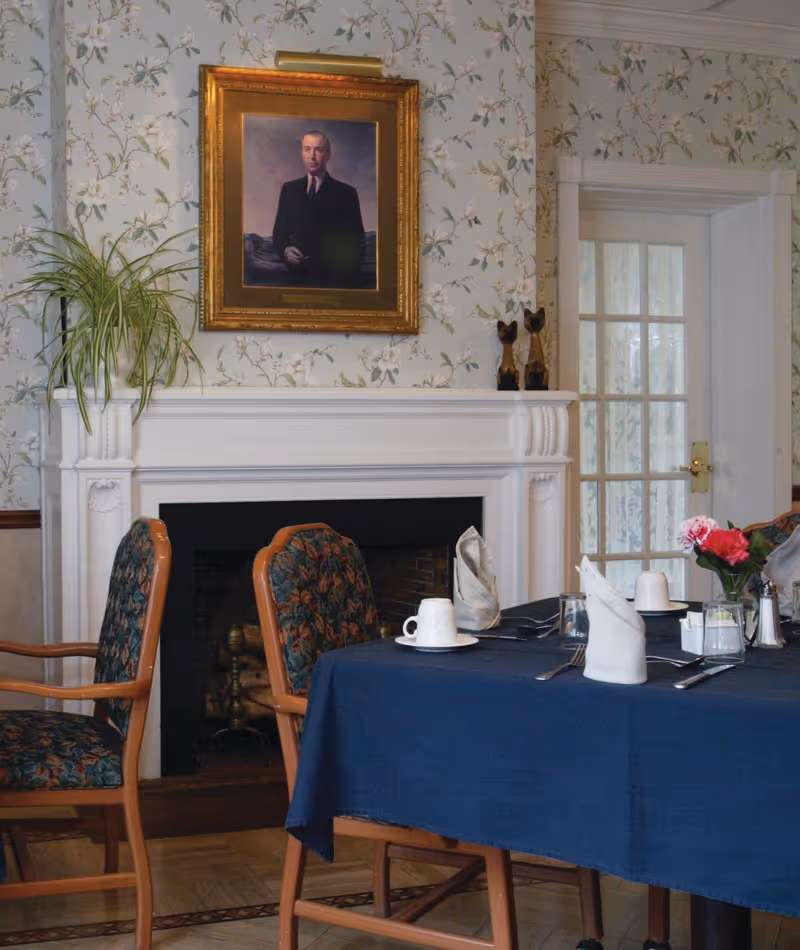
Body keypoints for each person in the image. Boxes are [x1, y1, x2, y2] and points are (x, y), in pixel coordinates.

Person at [271, 130, 366, 289]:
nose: (312, 156)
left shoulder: (346, 193)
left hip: (333, 280)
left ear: (328, 155)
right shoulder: (289, 189)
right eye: (307, 149)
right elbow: (279, 233)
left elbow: (357, 241)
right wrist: (285, 249)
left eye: (318, 150)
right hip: (295, 278)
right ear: (302, 152)